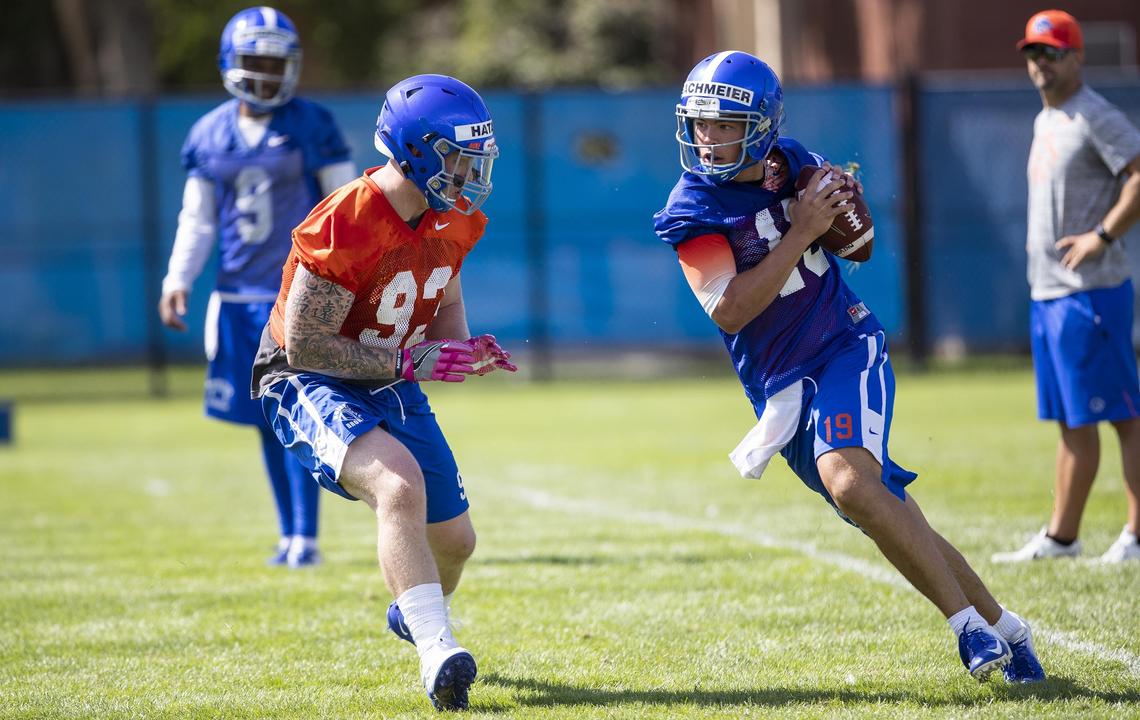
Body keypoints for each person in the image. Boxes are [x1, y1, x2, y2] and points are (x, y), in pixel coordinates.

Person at [653, 50, 1045, 683]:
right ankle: (1008, 628)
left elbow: (859, 246)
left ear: (762, 125)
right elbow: (729, 310)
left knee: (852, 483)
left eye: (725, 123)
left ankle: (967, 630)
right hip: (781, 386)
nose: (709, 136)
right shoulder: (693, 202)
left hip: (843, 344)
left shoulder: (796, 162)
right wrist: (802, 231)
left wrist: (844, 216)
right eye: (700, 122)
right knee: (879, 505)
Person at [251, 73, 516, 711]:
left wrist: (457, 346)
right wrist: (412, 357)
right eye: (459, 157)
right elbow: (306, 344)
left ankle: (414, 612)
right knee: (397, 484)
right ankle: (437, 653)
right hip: (304, 377)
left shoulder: (453, 218)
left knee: (455, 541)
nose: (472, 171)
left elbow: (444, 291)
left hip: (386, 373)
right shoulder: (348, 219)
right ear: (417, 151)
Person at [159, 7, 355, 569]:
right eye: (255, 62)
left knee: (300, 413)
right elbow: (196, 220)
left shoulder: (312, 124)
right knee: (265, 421)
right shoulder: (208, 133)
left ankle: (307, 538)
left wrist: (347, 288)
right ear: (231, 64)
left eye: (276, 63)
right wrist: (178, 278)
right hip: (236, 299)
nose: (267, 75)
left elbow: (343, 212)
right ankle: (290, 534)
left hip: (297, 299)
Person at [992, 10, 1140, 565]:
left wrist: (1101, 235)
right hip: (1050, 293)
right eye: (1033, 53)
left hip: (1090, 292)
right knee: (1071, 418)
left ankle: (1137, 535)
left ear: (1076, 57)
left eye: (1051, 53)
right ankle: (1063, 537)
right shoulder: (1047, 118)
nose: (1040, 64)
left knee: (1124, 413)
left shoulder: (1093, 114)